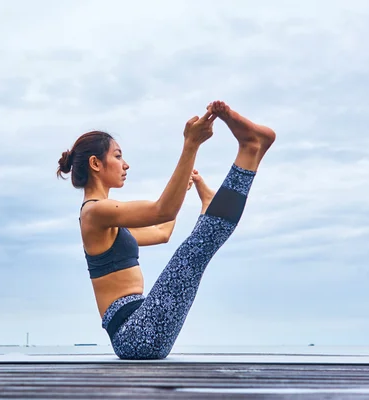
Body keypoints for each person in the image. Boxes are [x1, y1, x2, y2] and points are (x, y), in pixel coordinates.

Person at [56, 100, 275, 359]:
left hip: (141, 327)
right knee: (194, 253)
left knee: (195, 252)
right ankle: (251, 149)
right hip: (135, 335)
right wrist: (191, 144)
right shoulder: (94, 212)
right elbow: (163, 210)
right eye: (117, 156)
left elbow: (162, 232)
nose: (125, 165)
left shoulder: (107, 224)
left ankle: (249, 154)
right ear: (95, 164)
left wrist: (181, 190)